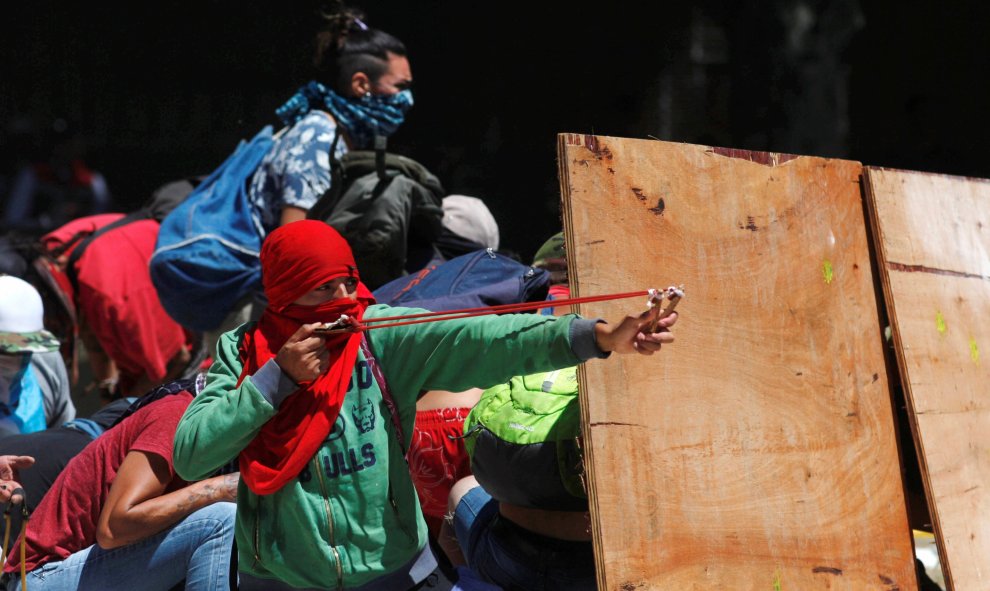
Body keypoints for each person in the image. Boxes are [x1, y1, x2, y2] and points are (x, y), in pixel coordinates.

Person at [172, 220, 677, 590]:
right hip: (280, 580)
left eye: (349, 281)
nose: (345, 299)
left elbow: (486, 338)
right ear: (284, 293)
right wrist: (276, 380)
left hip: (395, 573)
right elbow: (191, 453)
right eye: (323, 288)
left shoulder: (379, 336)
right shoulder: (241, 353)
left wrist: (599, 337)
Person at [203, 4, 415, 340]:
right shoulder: (319, 139)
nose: (407, 98)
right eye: (400, 86)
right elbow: (294, 245)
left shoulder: (336, 134)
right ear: (362, 84)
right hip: (262, 315)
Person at [2, 382, 237, 591]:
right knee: (219, 520)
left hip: (84, 568)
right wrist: (218, 489)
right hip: (41, 577)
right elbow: (114, 528)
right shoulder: (177, 416)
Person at [39, 214, 200, 399]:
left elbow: (175, 360)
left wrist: (121, 415)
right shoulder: (50, 251)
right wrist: (107, 392)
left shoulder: (115, 295)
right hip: (118, 262)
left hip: (192, 352)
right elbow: (92, 335)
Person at [0, 275, 75, 435]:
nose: (17, 361)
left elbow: (64, 433)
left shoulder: (46, 361)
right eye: (4, 350)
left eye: (25, 351)